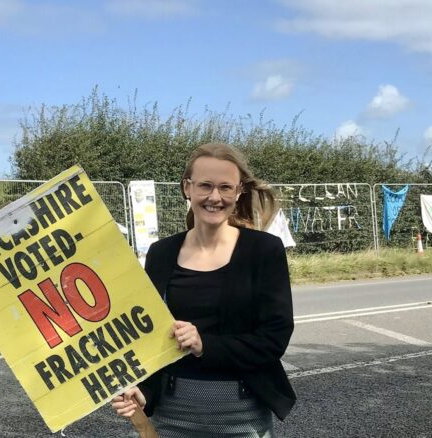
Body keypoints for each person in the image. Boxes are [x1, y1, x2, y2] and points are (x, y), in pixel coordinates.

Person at [112, 142, 295, 437]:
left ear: (239, 192)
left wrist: (203, 345)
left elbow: (274, 339)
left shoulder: (263, 250)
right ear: (187, 187)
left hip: (242, 414)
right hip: (169, 414)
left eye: (225, 187)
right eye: (205, 186)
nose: (215, 197)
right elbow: (152, 338)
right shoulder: (161, 253)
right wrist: (144, 392)